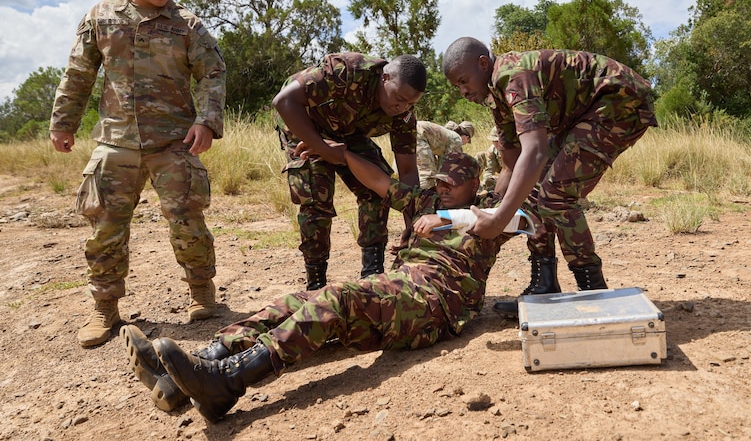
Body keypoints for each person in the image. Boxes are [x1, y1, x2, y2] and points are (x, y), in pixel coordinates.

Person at [120, 150, 530, 422]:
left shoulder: (489, 218)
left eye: (451, 184)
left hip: (433, 304)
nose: (441, 189)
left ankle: (226, 381)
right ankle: (187, 374)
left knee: (338, 297)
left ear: (474, 186)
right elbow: (379, 182)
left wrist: (453, 216)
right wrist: (337, 152)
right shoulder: (424, 202)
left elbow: (528, 221)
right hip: (398, 288)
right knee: (300, 300)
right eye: (439, 182)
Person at [49, 0, 227, 347]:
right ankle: (104, 310)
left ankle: (203, 296)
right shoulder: (101, 17)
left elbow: (213, 74)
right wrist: (63, 123)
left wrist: (208, 121)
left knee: (189, 223)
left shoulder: (187, 25)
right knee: (106, 229)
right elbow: (78, 74)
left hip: (174, 142)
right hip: (117, 143)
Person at [442, 37, 657, 317]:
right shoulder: (496, 97)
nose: (462, 91)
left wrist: (500, 219)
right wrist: (492, 206)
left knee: (556, 194)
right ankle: (544, 284)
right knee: (532, 194)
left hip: (617, 100)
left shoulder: (513, 76)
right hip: (583, 114)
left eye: (463, 80)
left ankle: (594, 291)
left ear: (483, 64)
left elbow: (535, 152)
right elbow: (512, 163)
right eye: (456, 86)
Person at [271, 53, 426, 290]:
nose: (401, 107)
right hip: (305, 123)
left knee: (377, 187)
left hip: (349, 134)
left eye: (410, 103)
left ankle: (372, 274)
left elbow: (407, 171)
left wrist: (412, 225)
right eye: (399, 98)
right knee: (316, 198)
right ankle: (316, 283)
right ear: (385, 77)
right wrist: (324, 149)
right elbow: (284, 101)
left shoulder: (404, 115)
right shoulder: (348, 71)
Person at [416, 120, 466, 189]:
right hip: (419, 134)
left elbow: (438, 164)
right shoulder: (457, 139)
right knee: (427, 174)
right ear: (466, 137)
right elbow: (449, 168)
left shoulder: (444, 135)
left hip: (412, 130)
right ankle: (425, 197)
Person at [479, 126, 504, 192]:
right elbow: (489, 170)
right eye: (493, 141)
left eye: (497, 141)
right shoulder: (492, 150)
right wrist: (487, 182)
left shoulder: (515, 149)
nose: (495, 143)